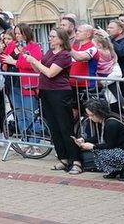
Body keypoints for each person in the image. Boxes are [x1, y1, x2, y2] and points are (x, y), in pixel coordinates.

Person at [23, 27, 82, 174]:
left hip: (60, 93)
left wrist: (35, 61)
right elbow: (39, 70)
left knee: (65, 127)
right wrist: (31, 61)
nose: (50, 39)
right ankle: (63, 158)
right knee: (54, 128)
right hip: (46, 92)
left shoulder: (64, 55)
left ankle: (76, 160)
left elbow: (50, 73)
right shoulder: (49, 52)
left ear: (62, 39)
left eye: (53, 36)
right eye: (50, 36)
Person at [74, 98, 124, 181]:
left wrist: (92, 146)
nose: (89, 118)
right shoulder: (104, 121)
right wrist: (84, 140)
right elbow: (98, 137)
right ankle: (117, 170)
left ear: (98, 113)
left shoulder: (111, 124)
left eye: (91, 115)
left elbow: (110, 145)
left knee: (99, 151)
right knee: (98, 150)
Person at [0, 25, 43, 150]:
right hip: (13, 84)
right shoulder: (13, 45)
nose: (17, 36)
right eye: (16, 33)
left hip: (28, 84)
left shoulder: (34, 46)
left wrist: (14, 62)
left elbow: (33, 62)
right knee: (19, 114)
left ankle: (35, 143)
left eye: (20, 33)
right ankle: (26, 141)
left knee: (31, 114)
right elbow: (3, 59)